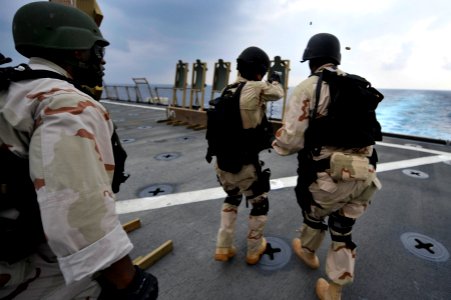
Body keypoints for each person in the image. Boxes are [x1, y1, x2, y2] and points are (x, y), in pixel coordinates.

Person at [0, 2, 157, 299]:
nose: (103, 62)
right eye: (98, 51)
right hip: (37, 273)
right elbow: (74, 202)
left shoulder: (11, 88)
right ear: (77, 50)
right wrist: (127, 280)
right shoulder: (64, 101)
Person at [272, 33, 382, 299]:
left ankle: (308, 252)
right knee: (343, 229)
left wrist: (275, 142)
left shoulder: (309, 87)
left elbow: (290, 142)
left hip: (329, 181)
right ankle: (334, 290)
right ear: (336, 58)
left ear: (310, 59)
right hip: (365, 176)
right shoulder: (358, 85)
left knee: (315, 210)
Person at [212, 46, 284, 265]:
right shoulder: (256, 87)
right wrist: (275, 80)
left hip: (222, 163)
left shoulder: (227, 90)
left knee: (232, 197)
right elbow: (278, 93)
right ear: (258, 71)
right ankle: (254, 249)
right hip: (245, 165)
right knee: (259, 204)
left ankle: (223, 246)